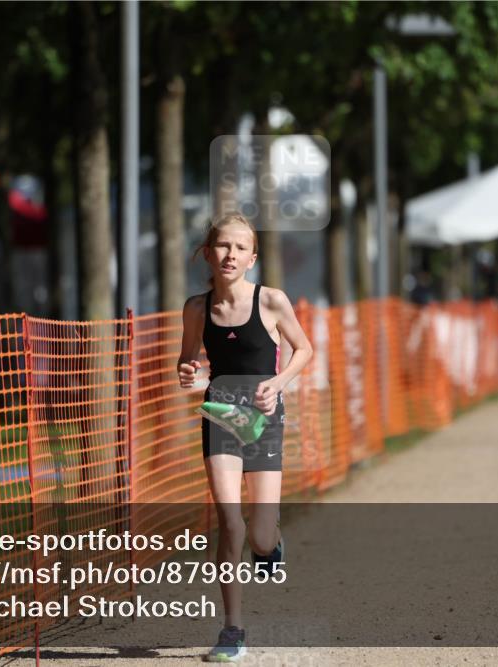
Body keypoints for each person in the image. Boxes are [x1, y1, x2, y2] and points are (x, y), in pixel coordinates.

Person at [177, 214, 313, 662]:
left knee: (257, 536)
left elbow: (304, 349)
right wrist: (186, 370)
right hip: (220, 415)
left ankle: (270, 543)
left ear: (252, 258)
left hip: (263, 417)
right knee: (230, 523)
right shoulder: (196, 308)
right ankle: (232, 629)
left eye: (239, 248)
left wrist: (278, 383)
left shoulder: (272, 301)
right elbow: (188, 358)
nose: (230, 255)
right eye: (222, 246)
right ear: (208, 253)